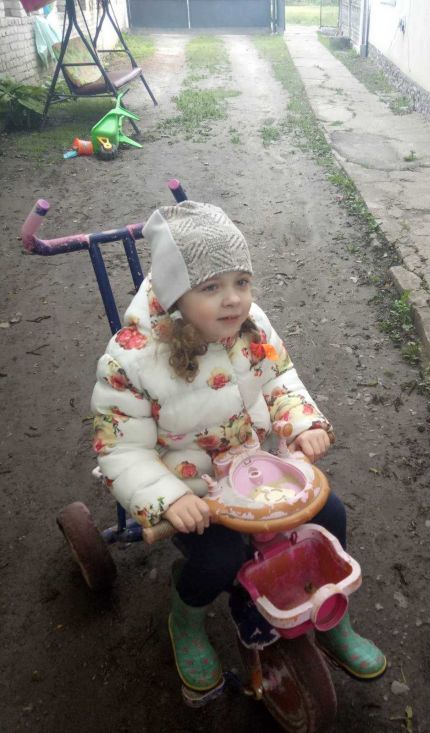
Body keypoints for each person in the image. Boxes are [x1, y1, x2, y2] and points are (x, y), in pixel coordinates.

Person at [91, 201, 386, 692]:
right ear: (175, 294)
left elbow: (279, 378)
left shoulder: (251, 327)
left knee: (329, 514)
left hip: (253, 469)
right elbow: (121, 448)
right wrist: (169, 498)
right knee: (219, 558)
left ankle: (330, 609)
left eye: (241, 282)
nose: (232, 300)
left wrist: (301, 422)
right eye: (210, 287)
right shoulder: (133, 360)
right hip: (192, 491)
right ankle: (186, 619)